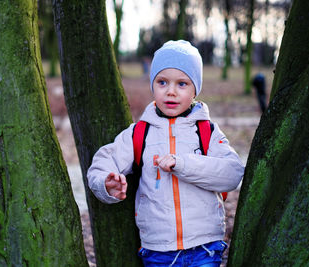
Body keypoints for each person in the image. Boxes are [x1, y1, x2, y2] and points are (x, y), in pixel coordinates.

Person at [87, 40, 244, 266]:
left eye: (182, 83)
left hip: (204, 248)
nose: (170, 91)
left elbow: (232, 173)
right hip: (158, 251)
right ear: (153, 86)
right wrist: (105, 184)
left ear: (194, 89)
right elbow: (102, 163)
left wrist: (182, 165)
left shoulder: (206, 132)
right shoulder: (140, 133)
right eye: (162, 82)